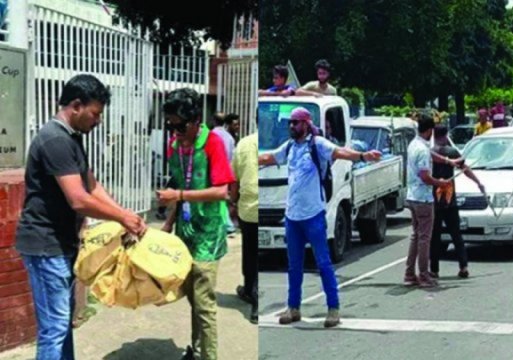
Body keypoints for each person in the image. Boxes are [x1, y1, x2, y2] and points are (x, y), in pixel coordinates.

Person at [15, 74, 147, 360]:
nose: (98, 121)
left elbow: (91, 185)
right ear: (76, 105)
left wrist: (124, 213)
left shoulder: (71, 139)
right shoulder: (54, 140)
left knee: (62, 324)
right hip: (44, 245)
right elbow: (78, 199)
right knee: (54, 328)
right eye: (95, 113)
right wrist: (122, 218)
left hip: (59, 244)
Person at [258, 107, 382, 328]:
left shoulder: (318, 144)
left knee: (323, 263)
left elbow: (340, 152)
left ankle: (333, 309)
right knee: (294, 266)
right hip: (292, 217)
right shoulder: (290, 147)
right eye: (290, 123)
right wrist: (249, 158)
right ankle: (293, 307)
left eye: (295, 122)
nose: (291, 126)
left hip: (313, 215)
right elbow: (269, 157)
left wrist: (363, 156)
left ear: (306, 123)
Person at [157, 88, 236, 360]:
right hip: (185, 231)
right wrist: (168, 223)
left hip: (208, 233)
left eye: (179, 125)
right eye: (170, 125)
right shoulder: (174, 146)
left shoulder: (211, 143)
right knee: (192, 296)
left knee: (204, 302)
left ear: (194, 121)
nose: (174, 131)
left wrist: (177, 196)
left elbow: (221, 192)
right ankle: (198, 349)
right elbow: (180, 183)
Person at [404, 115, 458, 288]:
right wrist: (441, 182)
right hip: (423, 198)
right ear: (429, 131)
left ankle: (410, 273)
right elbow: (425, 176)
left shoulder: (415, 144)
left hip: (412, 196)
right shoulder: (422, 149)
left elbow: (432, 156)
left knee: (416, 236)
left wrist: (448, 161)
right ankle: (424, 274)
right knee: (424, 239)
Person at [429, 126, 484, 279]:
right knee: (456, 234)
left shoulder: (431, 152)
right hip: (449, 200)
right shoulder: (451, 152)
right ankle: (463, 265)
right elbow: (465, 168)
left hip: (434, 200)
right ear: (446, 135)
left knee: (435, 237)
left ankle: (434, 269)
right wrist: (478, 182)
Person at [230, 120, 259, 324]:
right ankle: (250, 290)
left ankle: (254, 295)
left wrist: (233, 202)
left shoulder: (244, 144)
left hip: (248, 207)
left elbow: (235, 179)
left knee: (250, 252)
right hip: (268, 206)